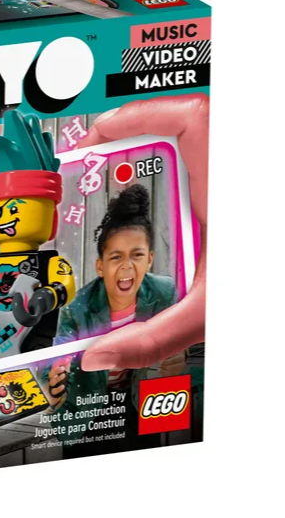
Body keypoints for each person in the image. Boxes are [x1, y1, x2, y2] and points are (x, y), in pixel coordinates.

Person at [45, 185, 183, 447]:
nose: (127, 266)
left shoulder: (164, 292)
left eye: (137, 255)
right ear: (101, 266)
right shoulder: (76, 308)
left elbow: (180, 345)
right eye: (116, 257)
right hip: (86, 408)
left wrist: (177, 361)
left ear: (150, 259)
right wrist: (56, 376)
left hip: (136, 400)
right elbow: (55, 361)